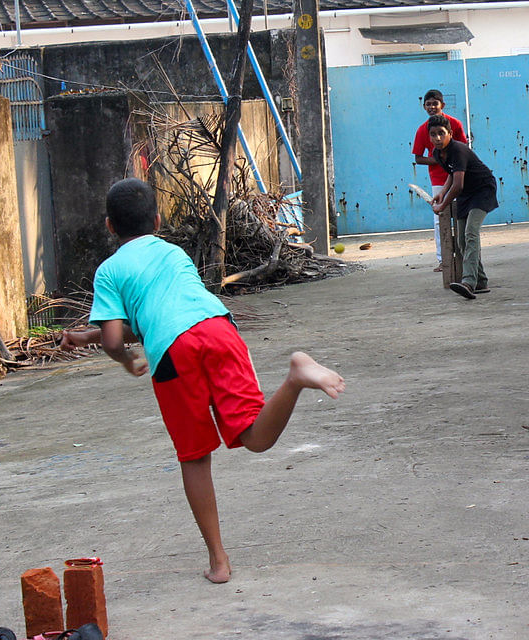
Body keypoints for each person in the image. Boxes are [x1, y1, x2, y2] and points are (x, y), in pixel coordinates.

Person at [60, 178, 345, 584]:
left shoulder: (110, 271)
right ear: (157, 220)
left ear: (109, 226)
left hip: (173, 354)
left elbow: (117, 337)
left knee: (194, 456)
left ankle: (219, 560)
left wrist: (125, 362)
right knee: (255, 436)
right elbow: (153, 318)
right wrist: (85, 336)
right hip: (217, 328)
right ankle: (296, 377)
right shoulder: (173, 252)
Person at [429, 114, 497, 300]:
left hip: (482, 190)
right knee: (461, 242)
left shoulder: (458, 150)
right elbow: (452, 174)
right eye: (433, 135)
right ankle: (481, 281)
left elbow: (458, 185)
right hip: (466, 194)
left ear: (450, 133)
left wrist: (443, 205)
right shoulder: (437, 153)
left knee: (470, 233)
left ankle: (468, 282)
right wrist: (442, 192)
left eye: (441, 134)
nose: (437, 138)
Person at [412, 89, 468, 271]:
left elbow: (464, 149)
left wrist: (453, 162)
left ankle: (464, 256)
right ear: (424, 107)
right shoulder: (422, 130)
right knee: (440, 218)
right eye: (428, 104)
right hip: (438, 179)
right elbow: (418, 158)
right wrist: (439, 160)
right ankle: (443, 260)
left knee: (462, 215)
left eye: (435, 104)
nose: (431, 107)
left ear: (442, 105)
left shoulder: (455, 124)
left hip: (459, 175)